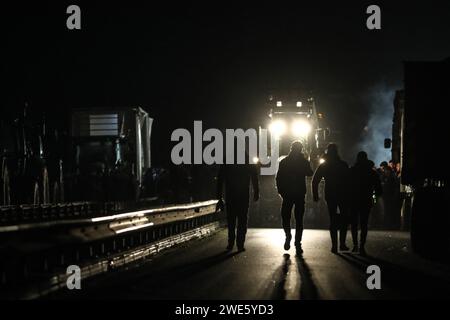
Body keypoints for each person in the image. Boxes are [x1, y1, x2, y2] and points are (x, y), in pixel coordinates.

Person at [217, 152, 259, 252]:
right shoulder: (247, 159)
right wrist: (256, 192)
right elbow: (254, 177)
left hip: (230, 195)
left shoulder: (227, 159)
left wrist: (219, 196)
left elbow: (220, 178)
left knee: (231, 219)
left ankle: (231, 242)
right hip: (243, 195)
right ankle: (240, 243)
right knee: (242, 219)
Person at [276, 141, 313, 255]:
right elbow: (310, 173)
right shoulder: (303, 162)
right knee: (299, 220)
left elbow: (278, 178)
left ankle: (288, 237)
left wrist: (281, 191)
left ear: (291, 148)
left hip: (288, 194)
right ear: (301, 149)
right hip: (299, 194)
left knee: (286, 217)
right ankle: (297, 243)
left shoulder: (284, 162)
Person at [312, 143, 350, 254]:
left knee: (333, 219)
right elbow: (349, 181)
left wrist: (315, 195)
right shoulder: (343, 164)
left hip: (330, 193)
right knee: (344, 219)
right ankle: (342, 244)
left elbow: (315, 181)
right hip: (343, 194)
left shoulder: (325, 165)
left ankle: (334, 246)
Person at [349, 151, 382, 255]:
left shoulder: (352, 171)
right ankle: (362, 246)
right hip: (366, 200)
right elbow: (379, 189)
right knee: (364, 224)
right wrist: (375, 198)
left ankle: (355, 245)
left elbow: (345, 185)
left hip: (353, 200)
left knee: (354, 223)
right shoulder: (371, 172)